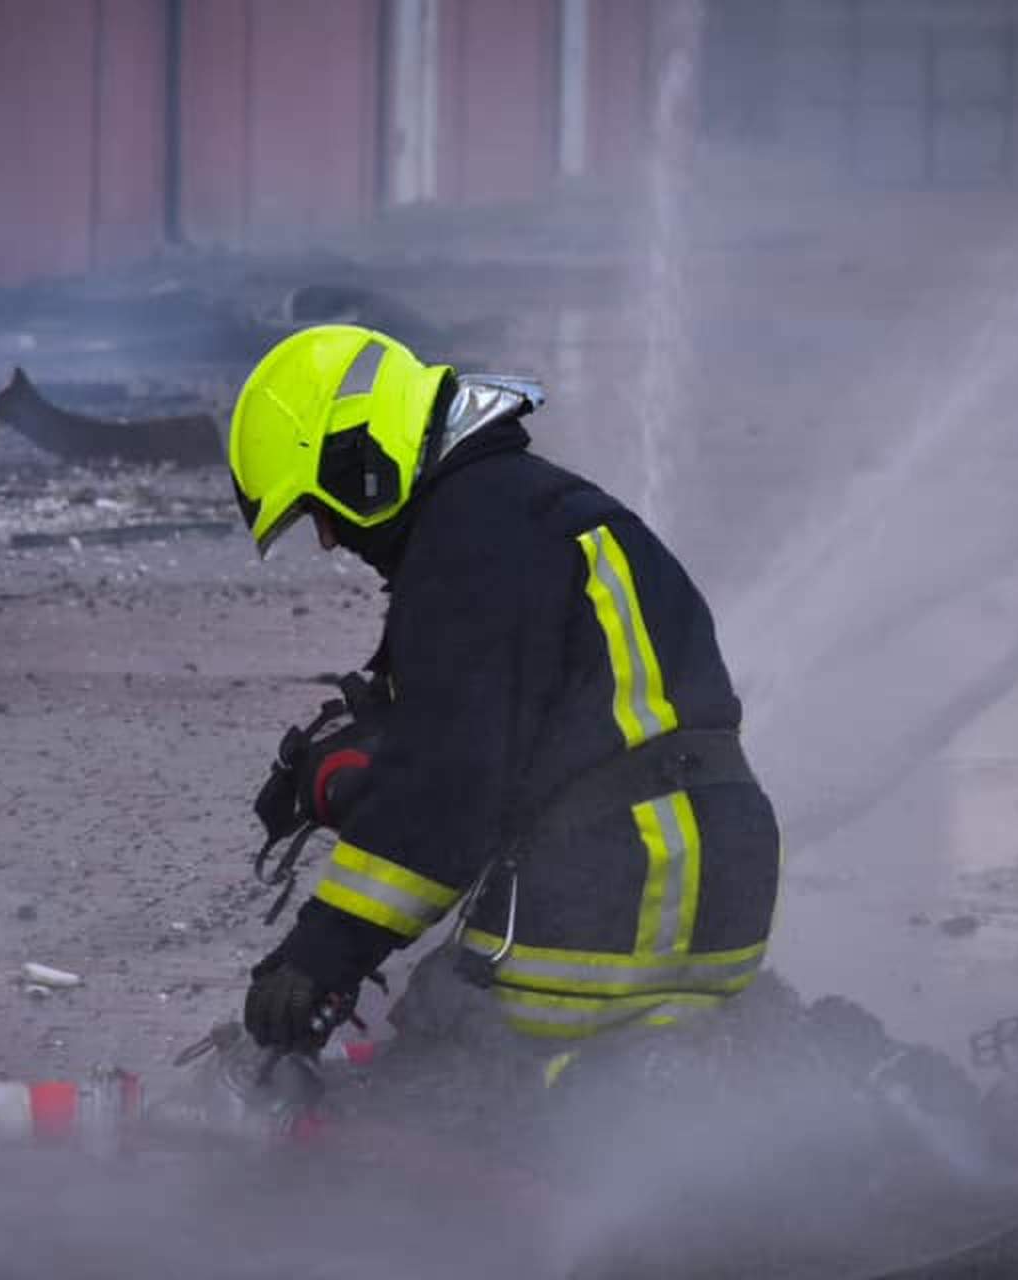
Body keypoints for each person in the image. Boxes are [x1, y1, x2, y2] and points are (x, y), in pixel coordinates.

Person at [228, 324, 781, 1058]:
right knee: (628, 1079)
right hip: (723, 895)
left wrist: (316, 959)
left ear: (362, 462)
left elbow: (449, 798)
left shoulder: (466, 547)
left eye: (321, 511)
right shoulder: (535, 512)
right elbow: (533, 732)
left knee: (437, 1067)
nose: (330, 540)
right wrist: (375, 766)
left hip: (618, 899)